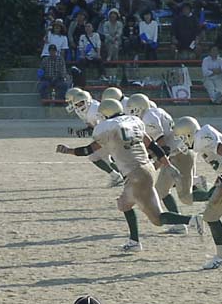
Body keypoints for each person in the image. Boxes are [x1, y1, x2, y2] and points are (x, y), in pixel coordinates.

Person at [56, 98, 203, 251]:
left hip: (135, 176)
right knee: (124, 204)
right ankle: (134, 242)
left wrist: (68, 150)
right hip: (148, 169)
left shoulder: (107, 128)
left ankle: (191, 220)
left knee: (157, 219)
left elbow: (88, 150)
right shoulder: (134, 121)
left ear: (105, 114)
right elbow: (153, 146)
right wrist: (167, 164)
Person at [173, 117, 222, 269]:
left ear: (189, 133)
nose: (182, 141)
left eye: (182, 137)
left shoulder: (202, 137)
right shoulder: (202, 135)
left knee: (210, 217)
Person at [64, 88, 124, 186]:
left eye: (75, 102)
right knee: (105, 158)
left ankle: (120, 176)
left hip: (110, 134)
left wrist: (84, 132)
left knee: (95, 156)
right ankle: (119, 176)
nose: (73, 105)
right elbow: (92, 127)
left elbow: (101, 127)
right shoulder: (85, 109)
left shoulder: (93, 111)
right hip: (107, 133)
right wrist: (82, 132)